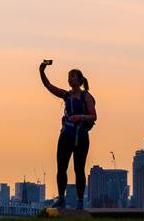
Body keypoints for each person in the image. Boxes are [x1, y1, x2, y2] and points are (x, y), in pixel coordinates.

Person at [39, 60, 97, 210]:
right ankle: (61, 198)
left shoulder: (86, 96)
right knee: (61, 167)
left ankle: (79, 201)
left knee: (79, 169)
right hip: (66, 135)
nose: (70, 79)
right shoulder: (67, 96)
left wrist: (80, 117)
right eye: (68, 77)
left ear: (79, 80)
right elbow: (48, 86)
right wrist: (42, 71)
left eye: (72, 77)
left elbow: (94, 116)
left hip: (81, 137)